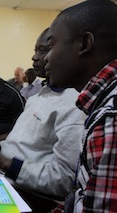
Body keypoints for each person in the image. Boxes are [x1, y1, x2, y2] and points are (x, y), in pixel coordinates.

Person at [0, 28, 86, 212]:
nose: (36, 57)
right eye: (36, 50)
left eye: (44, 50)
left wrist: (3, 161)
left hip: (31, 197)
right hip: (5, 179)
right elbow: (19, 146)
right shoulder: (38, 97)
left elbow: (65, 180)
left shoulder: (74, 104)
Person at [44, 0, 117, 212]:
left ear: (84, 44)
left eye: (51, 45)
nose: (46, 58)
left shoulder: (110, 117)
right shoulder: (101, 102)